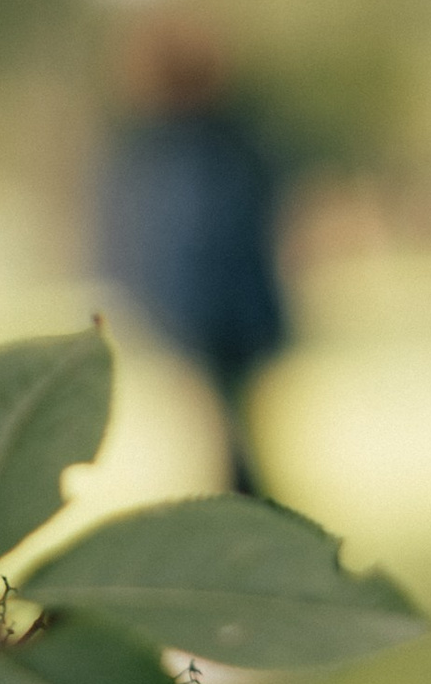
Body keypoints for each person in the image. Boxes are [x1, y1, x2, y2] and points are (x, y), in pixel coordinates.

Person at [93, 25, 290, 493]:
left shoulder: (190, 147)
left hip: (217, 313)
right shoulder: (217, 141)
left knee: (233, 433)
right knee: (231, 430)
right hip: (221, 312)